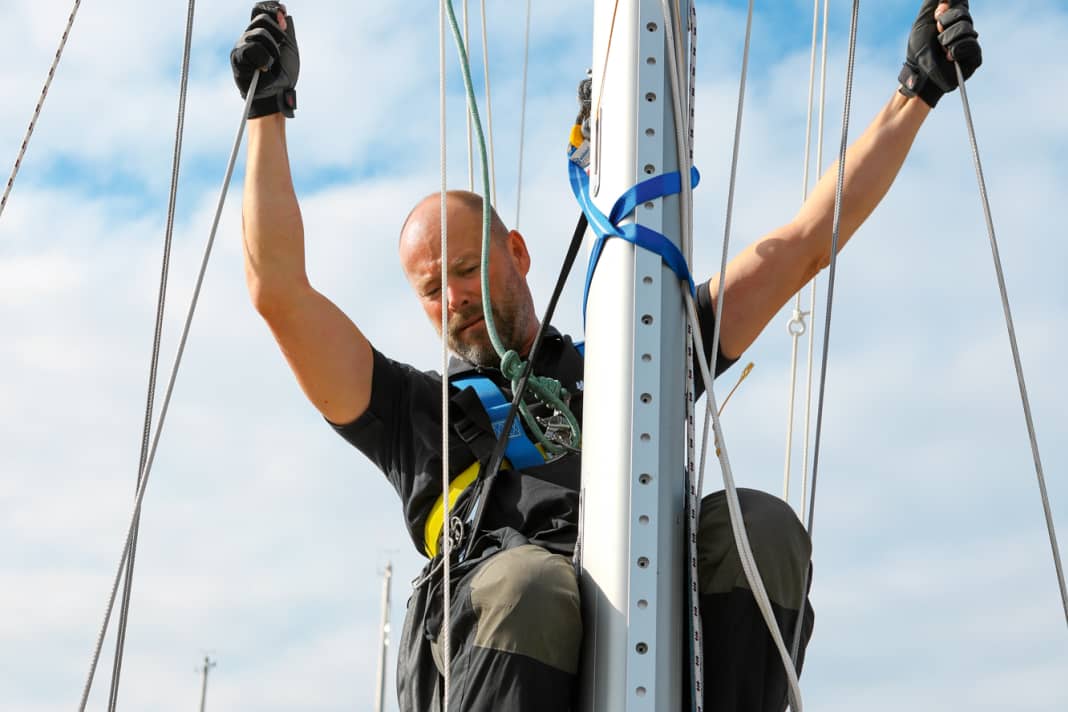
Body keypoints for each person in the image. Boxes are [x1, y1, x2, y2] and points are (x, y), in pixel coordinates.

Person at [232, 2, 981, 710]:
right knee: (526, 584)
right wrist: (270, 110)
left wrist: (916, 93)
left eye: (468, 267)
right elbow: (279, 293)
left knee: (760, 528)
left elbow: (805, 243)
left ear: (519, 252)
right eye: (433, 289)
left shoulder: (639, 360)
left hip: (649, 626)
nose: (455, 297)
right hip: (499, 636)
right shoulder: (410, 415)